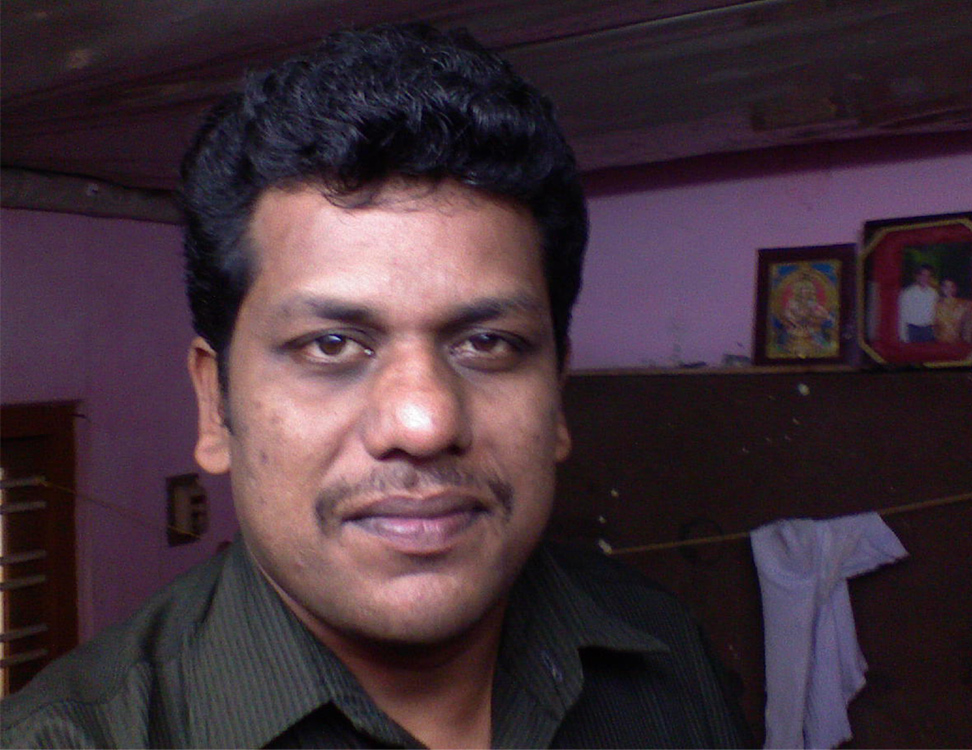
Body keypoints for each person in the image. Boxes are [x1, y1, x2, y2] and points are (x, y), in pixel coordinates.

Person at [1, 24, 750, 749]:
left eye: (488, 343)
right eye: (331, 345)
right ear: (215, 405)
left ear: (555, 394)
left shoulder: (666, 653)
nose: (423, 423)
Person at [897, 264, 939, 343]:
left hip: (928, 330)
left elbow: (935, 312)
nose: (925, 278)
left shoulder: (934, 293)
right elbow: (902, 315)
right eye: (923, 275)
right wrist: (903, 336)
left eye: (928, 276)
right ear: (917, 276)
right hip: (913, 330)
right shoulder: (907, 293)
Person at [932, 278, 972, 344]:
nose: (949, 289)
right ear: (942, 288)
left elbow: (968, 325)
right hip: (940, 342)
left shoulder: (964, 305)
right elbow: (934, 325)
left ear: (955, 288)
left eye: (951, 287)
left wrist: (967, 341)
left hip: (958, 342)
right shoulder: (936, 305)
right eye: (946, 287)